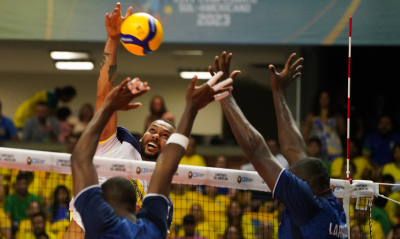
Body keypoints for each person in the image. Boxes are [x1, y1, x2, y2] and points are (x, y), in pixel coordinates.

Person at [69, 68, 232, 238]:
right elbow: (169, 163)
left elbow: (80, 159)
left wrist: (109, 106)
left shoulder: (99, 222)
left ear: (104, 204)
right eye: (152, 130)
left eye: (164, 136)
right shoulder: (153, 227)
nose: (156, 135)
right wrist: (192, 108)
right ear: (137, 207)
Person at [210, 52, 347, 238]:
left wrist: (224, 95)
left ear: (304, 185)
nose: (288, 176)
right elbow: (294, 149)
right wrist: (278, 93)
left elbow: (257, 151)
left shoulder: (308, 205)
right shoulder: (329, 203)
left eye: (292, 177)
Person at [303, 90, 345, 162]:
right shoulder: (311, 115)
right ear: (318, 100)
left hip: (334, 147)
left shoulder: (336, 115)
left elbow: (342, 131)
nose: (324, 100)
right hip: (316, 147)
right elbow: (305, 133)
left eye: (326, 98)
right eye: (321, 98)